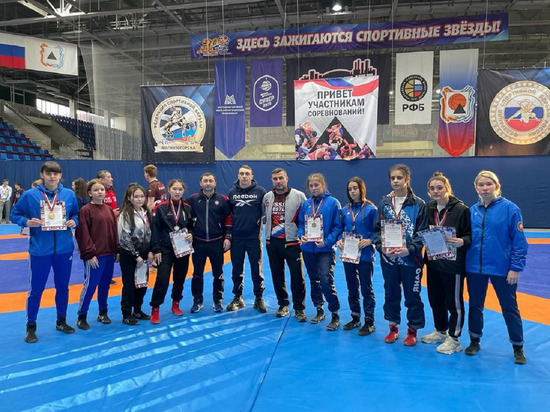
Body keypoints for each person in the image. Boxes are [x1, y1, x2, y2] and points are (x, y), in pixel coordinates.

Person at [10, 161, 79, 343]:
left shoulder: (69, 194)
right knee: (36, 289)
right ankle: (31, 326)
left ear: (60, 176)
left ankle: (61, 321)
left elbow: (75, 214)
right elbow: (14, 214)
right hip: (39, 250)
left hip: (64, 249)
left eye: (55, 173)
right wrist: (26, 222)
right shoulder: (30, 195)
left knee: (63, 287)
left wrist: (74, 221)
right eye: (48, 173)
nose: (52, 177)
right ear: (42, 175)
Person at [465, 171, 528, 365]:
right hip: (475, 268)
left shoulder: (510, 209)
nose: (485, 188)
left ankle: (517, 346)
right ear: (476, 188)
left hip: (502, 268)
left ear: (496, 186)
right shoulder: (471, 211)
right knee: (475, 305)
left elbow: (519, 241)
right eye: (481, 184)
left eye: (489, 184)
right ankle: (474, 340)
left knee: (509, 307)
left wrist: (515, 267)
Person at [373, 164, 427, 346]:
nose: (396, 181)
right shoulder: (384, 204)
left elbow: (422, 232)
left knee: (412, 295)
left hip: (411, 259)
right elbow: (377, 230)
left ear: (407, 179)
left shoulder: (419, 204)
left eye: (399, 178)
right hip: (389, 259)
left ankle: (412, 330)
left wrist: (409, 249)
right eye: (393, 178)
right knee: (391, 293)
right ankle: (393, 327)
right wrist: (381, 247)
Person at [420, 172, 471, 355]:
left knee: (453, 302)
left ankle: (454, 338)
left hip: (453, 264)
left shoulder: (461, 210)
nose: (436, 191)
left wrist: (462, 241)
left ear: (447, 188)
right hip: (434, 261)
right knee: (435, 299)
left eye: (439, 188)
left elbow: (470, 235)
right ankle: (440, 330)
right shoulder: (428, 208)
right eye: (432, 188)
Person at [297, 173, 342, 330]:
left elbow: (338, 226)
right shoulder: (306, 204)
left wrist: (327, 242)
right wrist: (301, 235)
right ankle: (319, 309)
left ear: (323, 185)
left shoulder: (333, 203)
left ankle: (334, 313)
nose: (314, 188)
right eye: (311, 186)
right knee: (313, 280)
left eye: (316, 185)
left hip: (325, 249)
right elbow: (301, 224)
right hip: (308, 248)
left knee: (325, 279)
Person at [263, 168, 307, 321]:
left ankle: (299, 308)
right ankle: (283, 304)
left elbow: (306, 218)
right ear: (272, 180)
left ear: (287, 178)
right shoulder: (267, 197)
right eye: (275, 179)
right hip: (273, 242)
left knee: (297, 276)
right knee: (277, 275)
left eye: (281, 178)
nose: (278, 181)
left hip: (292, 242)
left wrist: (303, 235)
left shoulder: (299, 196)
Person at [75, 179, 119, 330]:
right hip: (95, 255)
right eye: (96, 190)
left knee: (105, 285)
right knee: (90, 285)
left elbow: (113, 231)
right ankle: (82, 315)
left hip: (109, 254)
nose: (100, 192)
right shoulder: (86, 210)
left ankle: (103, 312)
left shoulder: (108, 209)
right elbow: (82, 234)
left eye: (102, 189)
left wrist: (116, 249)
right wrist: (89, 254)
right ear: (89, 193)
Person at [185, 173, 232, 313]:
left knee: (218, 274)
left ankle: (218, 300)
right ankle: (197, 301)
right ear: (200, 183)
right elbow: (182, 213)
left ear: (215, 183)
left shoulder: (223, 200)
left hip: (216, 242)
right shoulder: (192, 199)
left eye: (210, 180)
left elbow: (228, 219)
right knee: (197, 274)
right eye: (205, 181)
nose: (208, 183)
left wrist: (228, 237)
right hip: (198, 243)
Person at [150, 178, 194, 324]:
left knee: (180, 278)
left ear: (183, 191)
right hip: (165, 249)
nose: (177, 192)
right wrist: (156, 249)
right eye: (174, 189)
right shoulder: (160, 208)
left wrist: (191, 234)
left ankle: (176, 303)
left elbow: (191, 227)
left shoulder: (187, 208)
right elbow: (155, 230)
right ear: (169, 190)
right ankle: (155, 308)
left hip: (182, 249)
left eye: (180, 189)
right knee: (162, 279)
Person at [337, 177, 377, 335]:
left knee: (366, 288)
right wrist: (339, 240)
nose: (352, 191)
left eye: (355, 188)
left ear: (361, 189)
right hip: (348, 254)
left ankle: (369, 321)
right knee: (351, 287)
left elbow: (378, 231)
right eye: (350, 189)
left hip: (365, 255)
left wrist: (370, 240)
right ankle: (355, 317)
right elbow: (340, 229)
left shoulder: (371, 209)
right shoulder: (344, 210)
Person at [226, 165, 267, 313]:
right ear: (238, 176)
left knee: (257, 269)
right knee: (236, 269)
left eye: (247, 174)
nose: (244, 176)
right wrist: (228, 235)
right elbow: (229, 216)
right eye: (242, 173)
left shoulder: (260, 192)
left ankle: (258, 298)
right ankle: (238, 297)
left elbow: (266, 212)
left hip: (254, 238)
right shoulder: (232, 192)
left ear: (252, 176)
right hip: (237, 238)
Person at [118, 183, 154, 325]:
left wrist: (150, 251)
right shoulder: (125, 214)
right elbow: (124, 237)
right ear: (129, 198)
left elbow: (151, 233)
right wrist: (136, 255)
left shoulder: (146, 212)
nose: (139, 199)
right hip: (129, 255)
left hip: (144, 255)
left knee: (142, 284)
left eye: (142, 196)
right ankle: (126, 314)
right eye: (136, 196)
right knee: (129, 285)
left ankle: (137, 310)